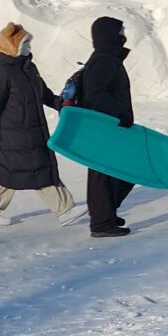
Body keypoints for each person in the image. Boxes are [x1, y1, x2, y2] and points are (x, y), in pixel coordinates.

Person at [0, 22, 83, 227]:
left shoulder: (29, 67)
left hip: (34, 130)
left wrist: (61, 104)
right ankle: (65, 209)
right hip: (16, 133)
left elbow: (44, 94)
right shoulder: (3, 72)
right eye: (25, 43)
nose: (29, 47)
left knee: (12, 172)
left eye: (29, 42)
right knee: (36, 169)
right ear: (12, 46)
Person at [64, 15, 138, 239]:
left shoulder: (108, 58)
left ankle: (106, 214)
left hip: (109, 125)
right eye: (120, 31)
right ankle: (101, 222)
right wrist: (119, 114)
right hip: (104, 126)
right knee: (105, 175)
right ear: (109, 35)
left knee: (119, 171)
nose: (123, 35)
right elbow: (96, 94)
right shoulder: (103, 61)